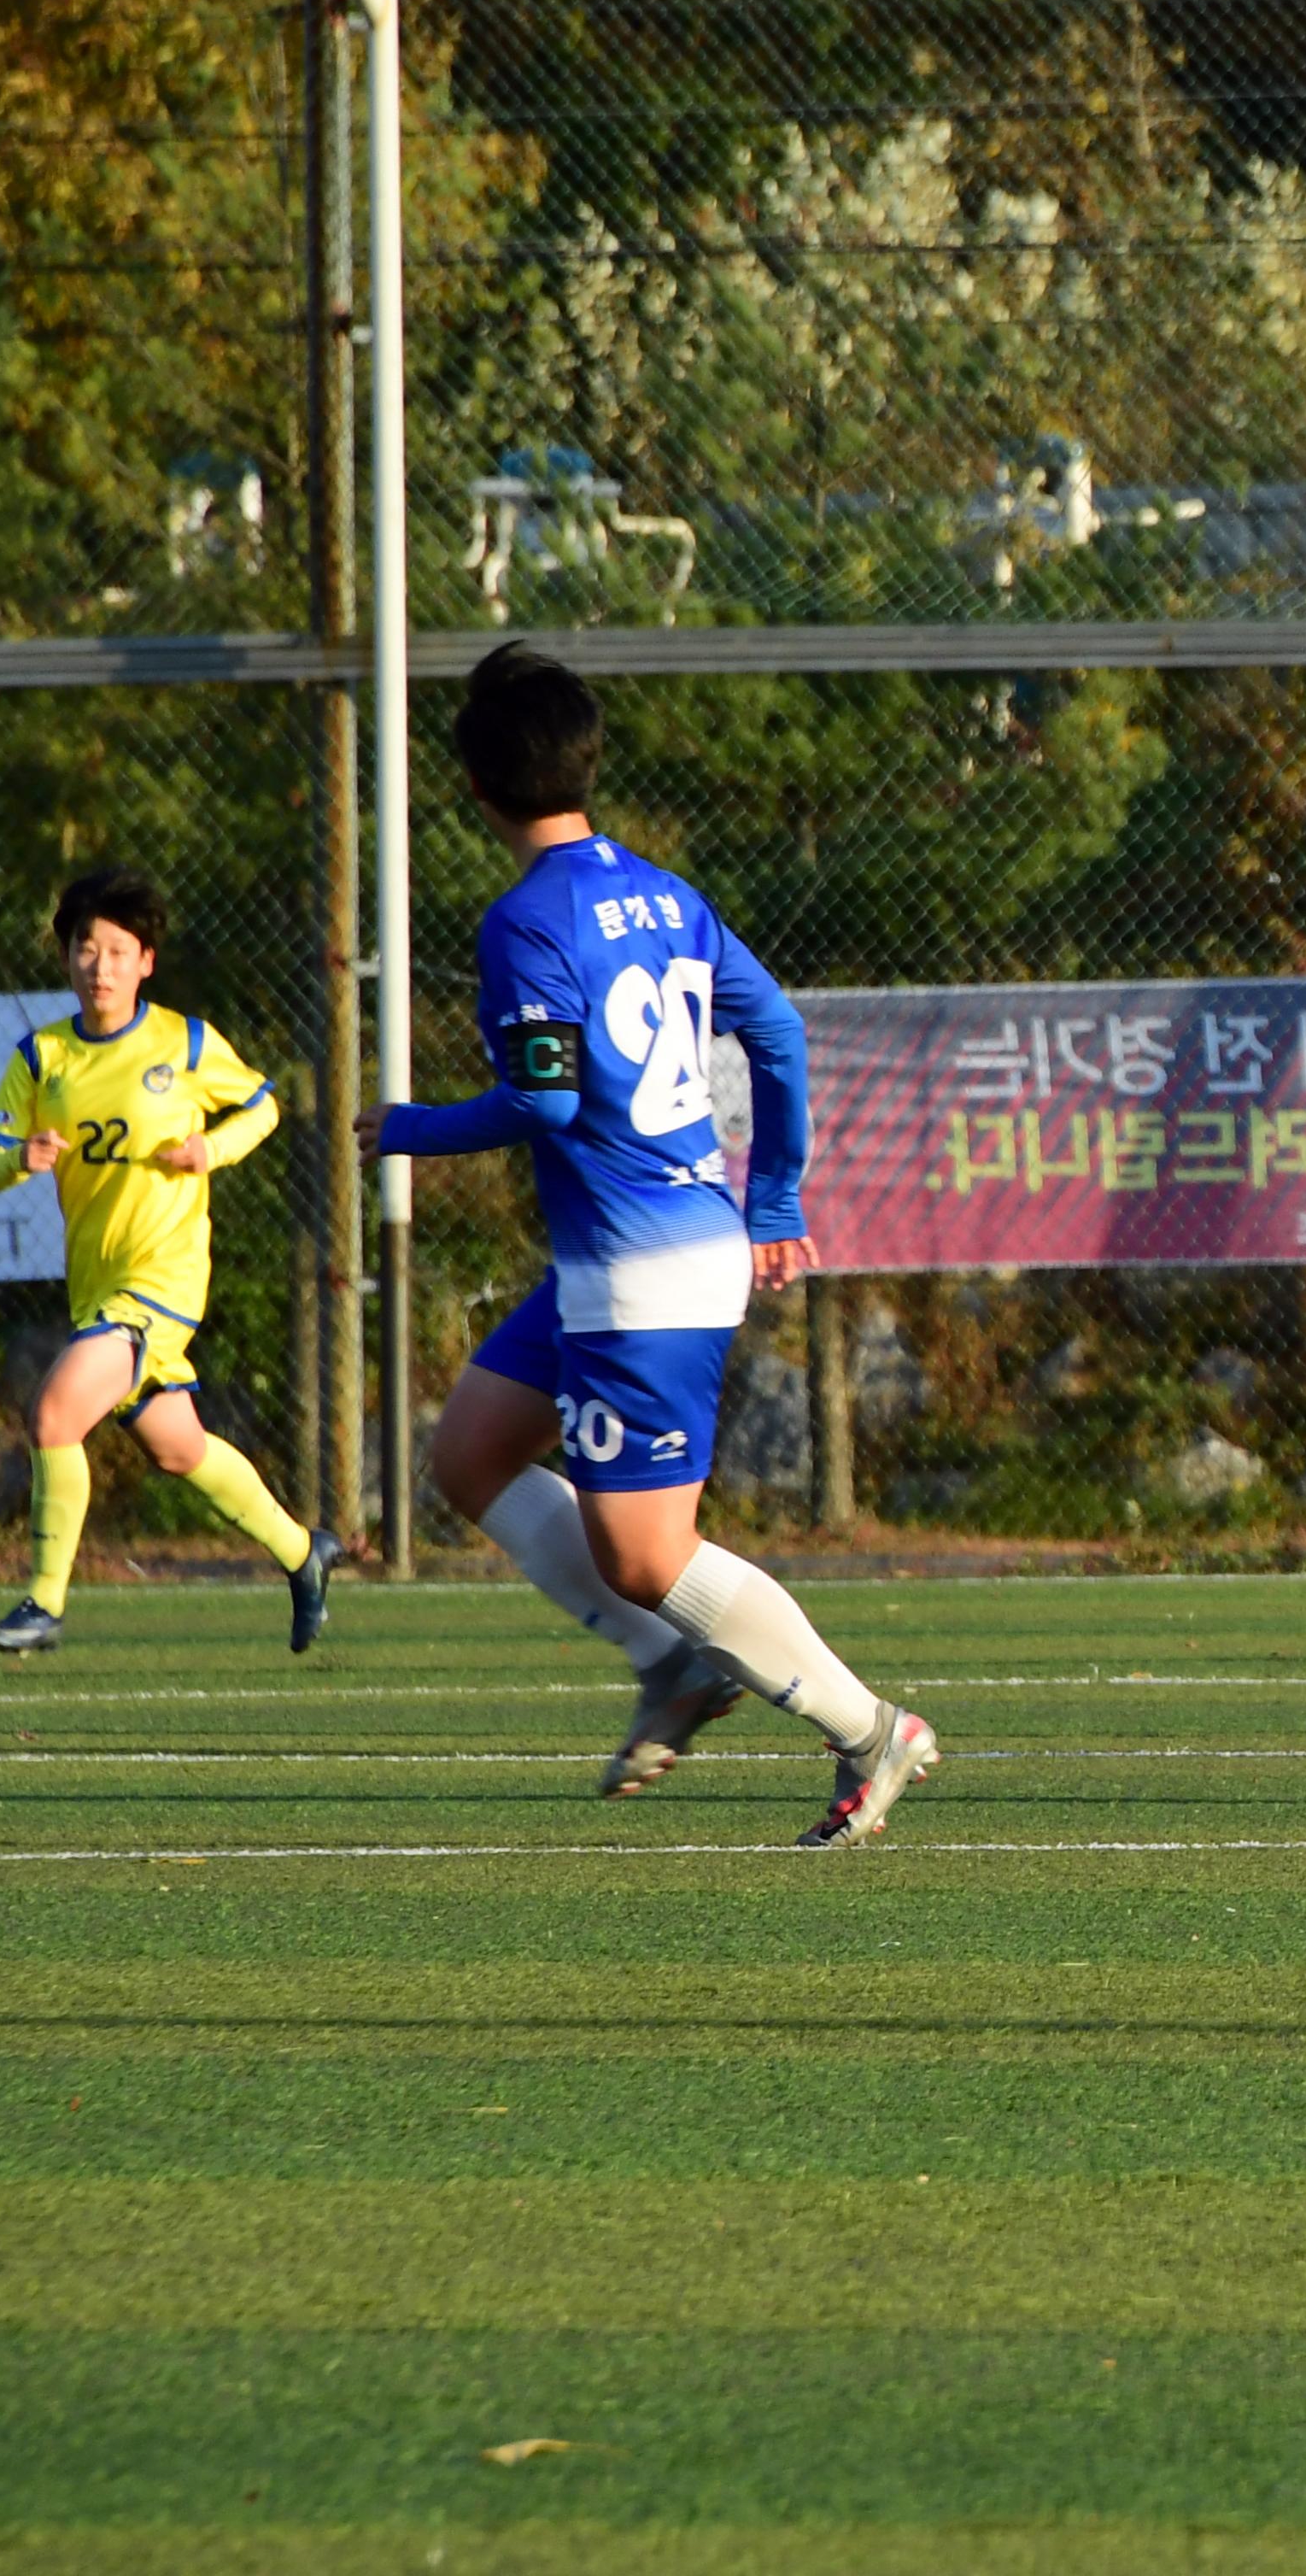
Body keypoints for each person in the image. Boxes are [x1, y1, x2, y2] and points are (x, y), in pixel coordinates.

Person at [368, 644, 940, 1843]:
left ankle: (868, 1727)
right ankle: (674, 1669)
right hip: (628, 1257)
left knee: (642, 1553)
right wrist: (773, 1194)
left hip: (645, 1271)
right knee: (469, 1458)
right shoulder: (668, 897)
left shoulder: (525, 922)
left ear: (474, 790)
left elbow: (548, 1104)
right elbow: (774, 1029)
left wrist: (409, 1128)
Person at [0, 868, 341, 1658]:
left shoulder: (184, 1042)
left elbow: (264, 1104)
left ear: (146, 962)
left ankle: (44, 1602)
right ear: (66, 958)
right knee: (180, 1448)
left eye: (117, 951)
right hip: (97, 1285)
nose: (99, 965)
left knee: (55, 1414)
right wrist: (22, 1158)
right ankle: (306, 1553)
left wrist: (214, 1147)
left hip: (162, 1280)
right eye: (84, 949)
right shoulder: (42, 1056)